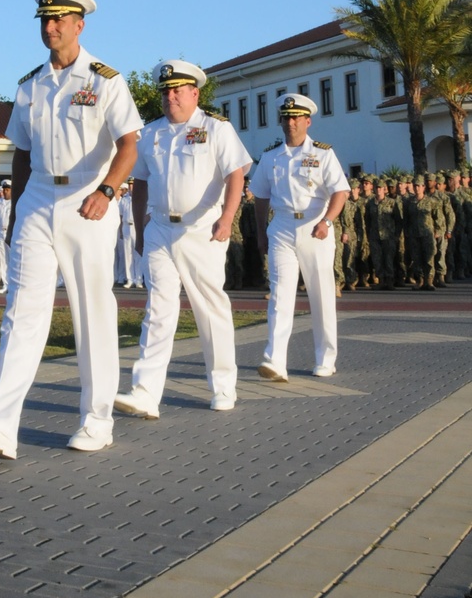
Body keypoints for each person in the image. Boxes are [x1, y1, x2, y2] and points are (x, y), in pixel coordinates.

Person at [0, 0, 140, 458]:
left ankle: (97, 420)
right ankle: (0, 425)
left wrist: (107, 190)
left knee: (92, 313)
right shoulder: (29, 85)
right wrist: (18, 210)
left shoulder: (105, 81)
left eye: (59, 19)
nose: (50, 27)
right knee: (21, 314)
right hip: (38, 196)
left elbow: (129, 145)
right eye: (44, 19)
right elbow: (21, 152)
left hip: (87, 198)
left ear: (80, 25)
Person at [115, 61, 251, 420]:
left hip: (201, 229)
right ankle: (145, 392)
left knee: (209, 310)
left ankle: (223, 387)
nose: (170, 96)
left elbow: (235, 175)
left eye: (177, 90)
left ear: (195, 93)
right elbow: (140, 183)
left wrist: (227, 218)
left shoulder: (215, 128)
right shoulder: (152, 133)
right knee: (158, 311)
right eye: (165, 91)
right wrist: (140, 229)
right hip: (159, 228)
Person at [251, 94, 349, 381]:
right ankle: (275, 360)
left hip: (314, 225)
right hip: (281, 226)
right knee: (280, 296)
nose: (291, 122)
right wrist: (260, 233)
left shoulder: (323, 153)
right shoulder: (270, 157)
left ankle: (325, 358)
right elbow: (260, 197)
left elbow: (340, 191)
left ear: (308, 120)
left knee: (320, 295)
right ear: (280, 121)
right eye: (286, 117)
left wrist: (327, 221)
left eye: (296, 117)